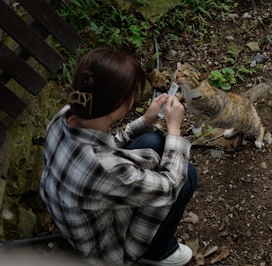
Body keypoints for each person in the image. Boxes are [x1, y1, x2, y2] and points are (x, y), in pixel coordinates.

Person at [39, 47, 198, 266]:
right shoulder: (105, 169)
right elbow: (170, 186)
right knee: (187, 175)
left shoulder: (65, 115)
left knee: (152, 141)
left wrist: (144, 121)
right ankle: (157, 251)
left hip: (76, 217)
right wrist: (174, 129)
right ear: (121, 104)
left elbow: (104, 146)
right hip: (108, 251)